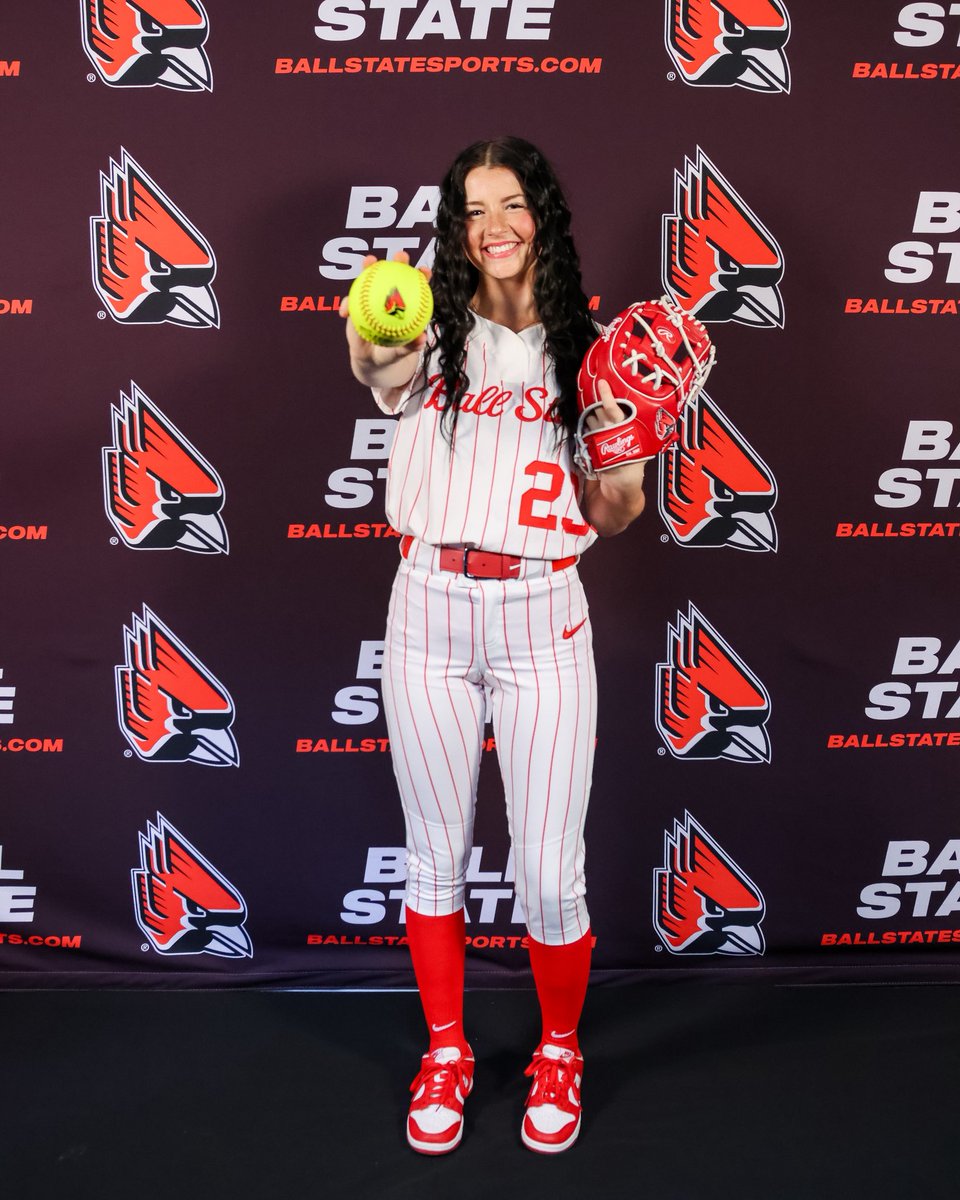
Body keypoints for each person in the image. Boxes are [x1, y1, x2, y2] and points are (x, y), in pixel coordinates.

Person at [341, 135, 646, 1155]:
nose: (494, 226)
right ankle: (446, 1049)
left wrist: (631, 448)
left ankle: (560, 1048)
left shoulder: (593, 348)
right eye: (473, 209)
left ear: (542, 217)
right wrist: (378, 325)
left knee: (550, 876)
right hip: (427, 605)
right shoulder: (430, 327)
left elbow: (612, 513)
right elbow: (375, 360)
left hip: (541, 615)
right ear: (456, 227)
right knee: (434, 859)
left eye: (510, 204)